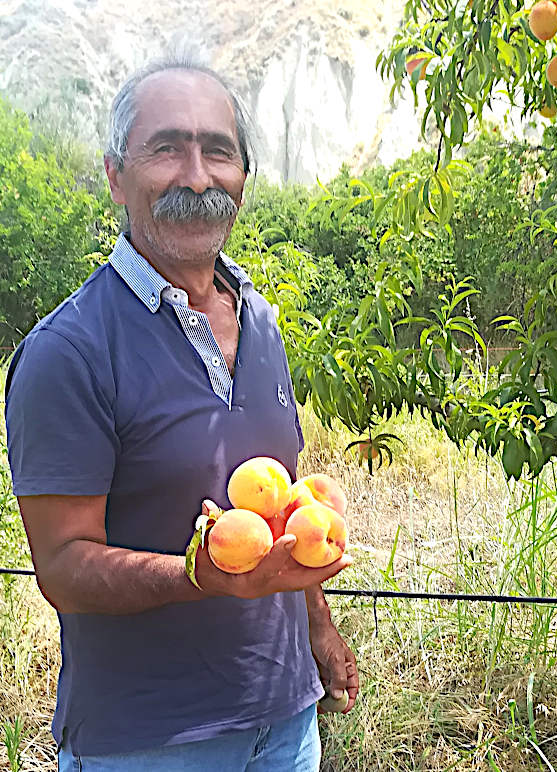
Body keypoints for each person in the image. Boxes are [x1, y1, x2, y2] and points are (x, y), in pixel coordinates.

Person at [4, 51, 358, 771]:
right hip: (147, 743)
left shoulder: (261, 321)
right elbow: (62, 565)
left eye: (218, 151)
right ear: (115, 176)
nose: (197, 176)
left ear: (243, 180)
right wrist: (195, 577)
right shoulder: (68, 351)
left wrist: (318, 625)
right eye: (167, 148)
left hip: (286, 726)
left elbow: (282, 506)